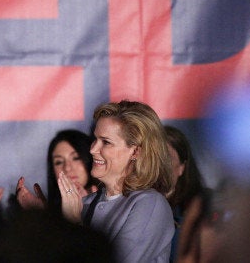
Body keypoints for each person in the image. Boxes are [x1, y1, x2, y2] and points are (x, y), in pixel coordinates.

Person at [59, 100, 174, 262]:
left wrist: (74, 223)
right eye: (95, 139)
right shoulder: (84, 204)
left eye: (106, 142)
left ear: (135, 151)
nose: (92, 149)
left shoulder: (150, 204)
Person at [15, 129, 98, 212]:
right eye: (59, 162)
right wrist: (43, 214)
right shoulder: (52, 213)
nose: (67, 168)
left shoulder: (107, 204)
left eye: (76, 158)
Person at [164, 125, 206, 262]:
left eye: (167, 158)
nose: (159, 165)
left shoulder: (197, 211)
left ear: (182, 167)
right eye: (153, 157)